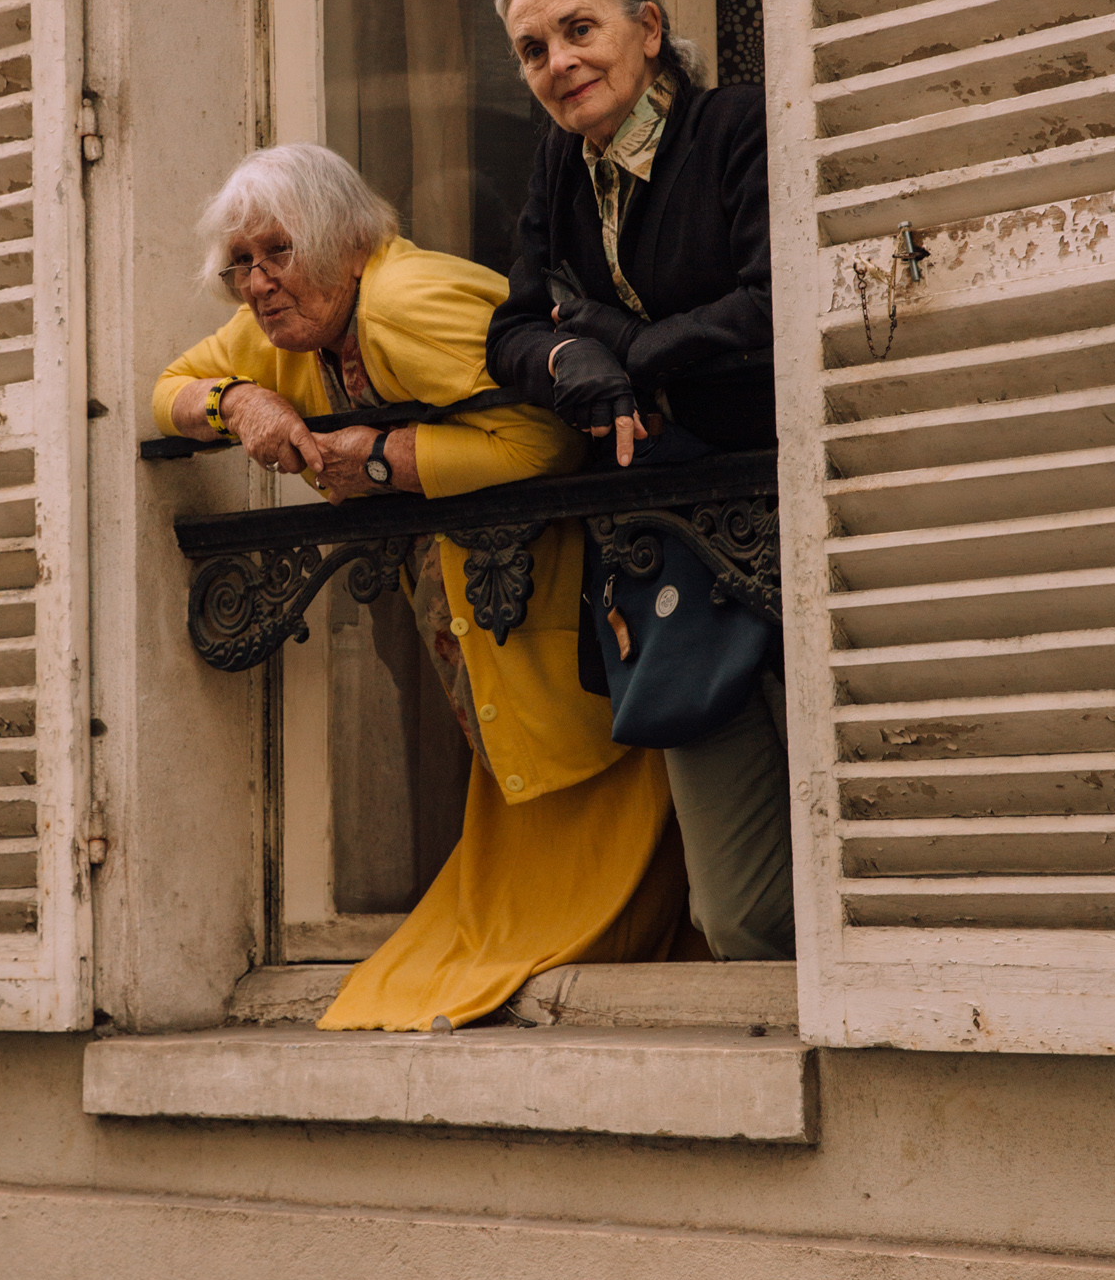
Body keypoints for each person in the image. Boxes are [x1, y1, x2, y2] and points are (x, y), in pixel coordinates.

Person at [153, 142, 708, 1031]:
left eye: (277, 253)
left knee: (586, 801)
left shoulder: (405, 302)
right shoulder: (283, 330)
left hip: (567, 601)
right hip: (481, 615)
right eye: (239, 265)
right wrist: (243, 404)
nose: (256, 283)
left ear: (342, 241)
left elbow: (552, 437)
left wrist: (378, 459)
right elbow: (169, 390)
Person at [484, 0, 794, 962]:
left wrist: (625, 344)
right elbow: (515, 329)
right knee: (740, 914)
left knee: (875, 861)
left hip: (799, 531)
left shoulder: (738, 129)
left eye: (578, 29)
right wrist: (580, 366)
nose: (557, 63)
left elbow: (773, 304)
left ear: (648, 28)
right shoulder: (559, 169)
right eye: (533, 49)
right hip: (674, 561)